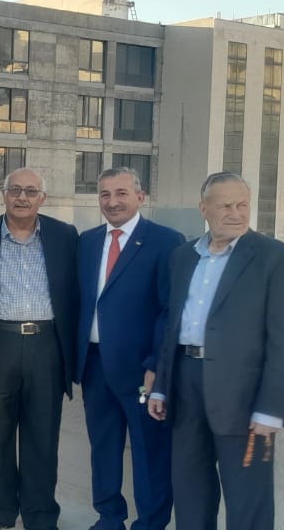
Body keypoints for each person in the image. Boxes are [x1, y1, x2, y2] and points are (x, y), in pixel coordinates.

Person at [148, 172, 284, 530]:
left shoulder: (277, 258)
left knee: (247, 496)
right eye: (225, 206)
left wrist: (271, 408)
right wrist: (161, 386)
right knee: (190, 488)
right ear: (203, 209)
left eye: (242, 205)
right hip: (185, 382)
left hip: (243, 393)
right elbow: (173, 324)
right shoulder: (183, 256)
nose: (236, 213)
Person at [0, 168, 77, 530]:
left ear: (42, 198)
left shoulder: (64, 236)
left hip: (46, 346)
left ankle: (40, 515)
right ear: (4, 194)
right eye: (15, 190)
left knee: (43, 436)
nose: (22, 197)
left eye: (31, 191)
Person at [75, 167, 183, 530]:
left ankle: (150, 523)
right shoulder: (88, 242)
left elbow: (171, 310)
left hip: (141, 369)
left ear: (140, 196)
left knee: (149, 452)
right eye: (105, 194)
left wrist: (156, 365)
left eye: (121, 193)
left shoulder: (165, 241)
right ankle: (109, 518)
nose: (112, 201)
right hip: (94, 365)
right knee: (103, 448)